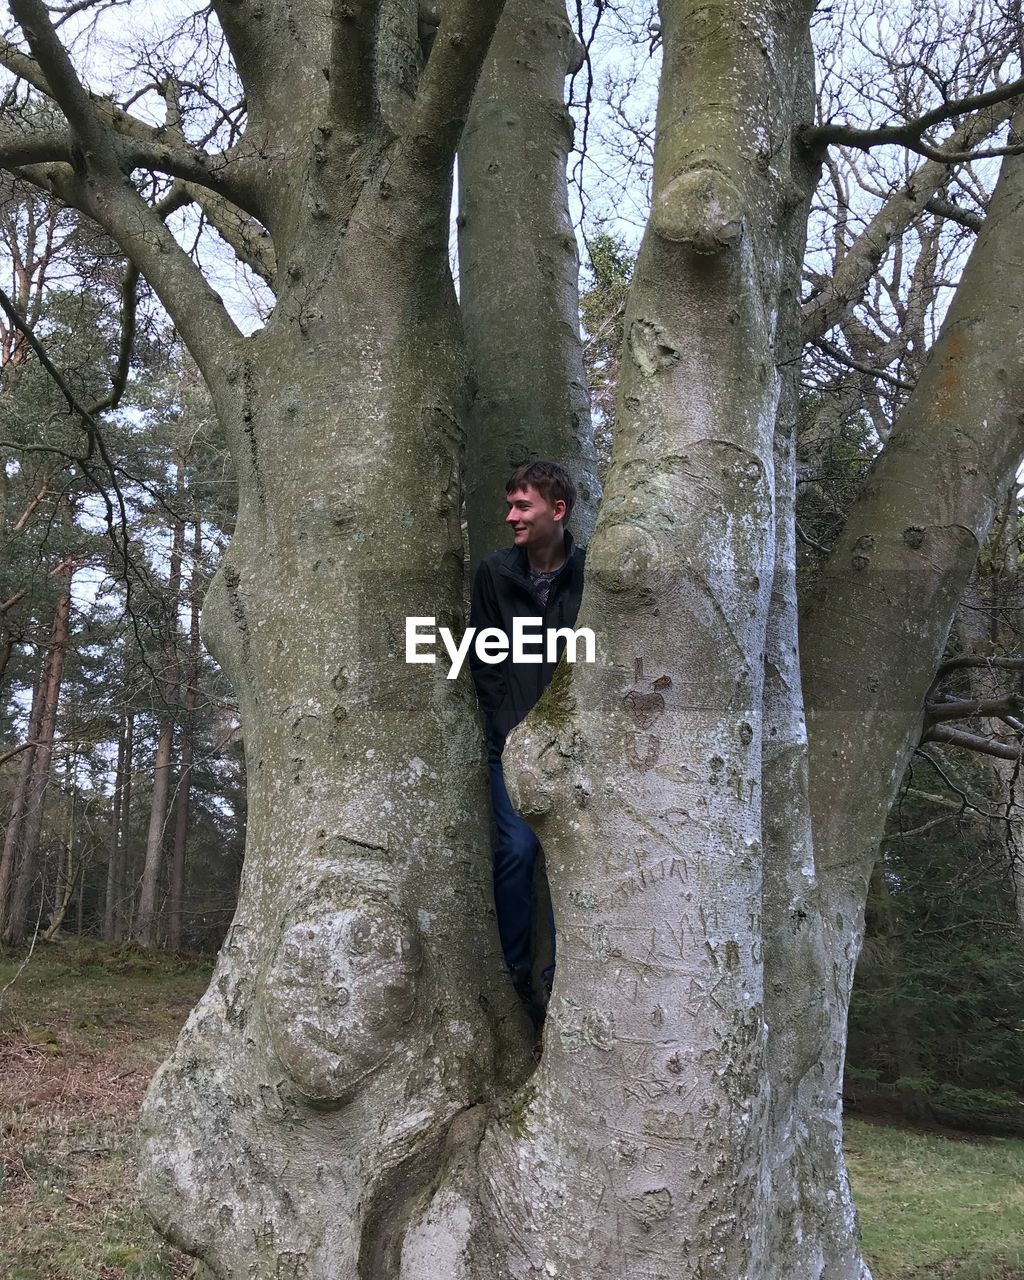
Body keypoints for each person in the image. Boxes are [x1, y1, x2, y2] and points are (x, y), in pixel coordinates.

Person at [468, 461, 586, 1027]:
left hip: (576, 751)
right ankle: (515, 972)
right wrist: (509, 725)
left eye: (523, 507)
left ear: (556, 511)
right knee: (515, 854)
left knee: (570, 862)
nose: (510, 516)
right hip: (510, 744)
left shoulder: (590, 575)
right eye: (509, 505)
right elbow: (484, 657)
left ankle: (562, 979)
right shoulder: (494, 572)